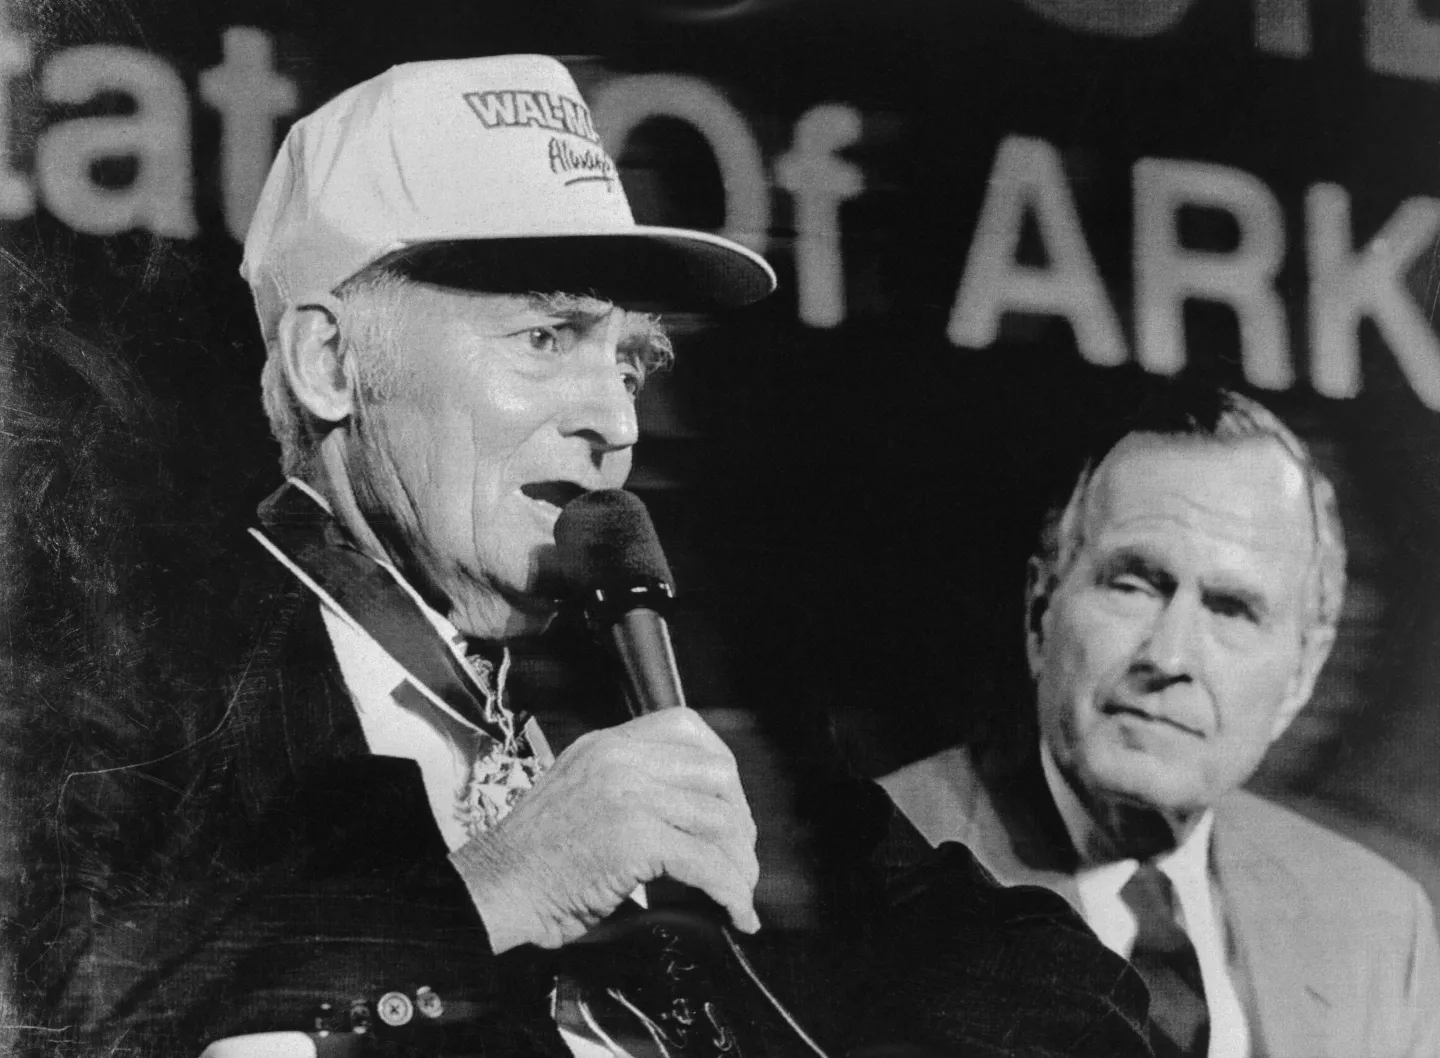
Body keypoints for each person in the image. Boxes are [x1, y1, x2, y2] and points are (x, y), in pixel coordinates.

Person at [46, 55, 1151, 1058]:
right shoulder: (121, 677)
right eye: (544, 339)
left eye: (628, 358)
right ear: (330, 363)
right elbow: (70, 1007)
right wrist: (494, 889)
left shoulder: (665, 689)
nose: (616, 422)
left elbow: (1066, 989)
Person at [881, 385, 1440, 1058]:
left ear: (1302, 675)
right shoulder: (871, 864)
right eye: (1133, 583)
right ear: (1040, 611)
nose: (1169, 657)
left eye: (1232, 608)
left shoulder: (1379, 923)